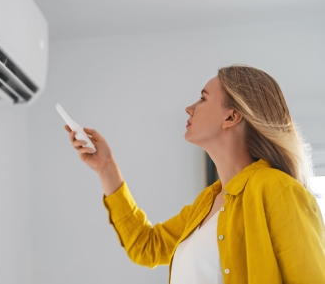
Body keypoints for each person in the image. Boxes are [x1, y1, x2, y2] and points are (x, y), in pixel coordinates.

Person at [64, 64, 325, 284]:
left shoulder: (277, 189)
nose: (190, 108)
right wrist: (106, 168)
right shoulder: (206, 204)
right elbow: (147, 247)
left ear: (232, 116)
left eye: (203, 98)